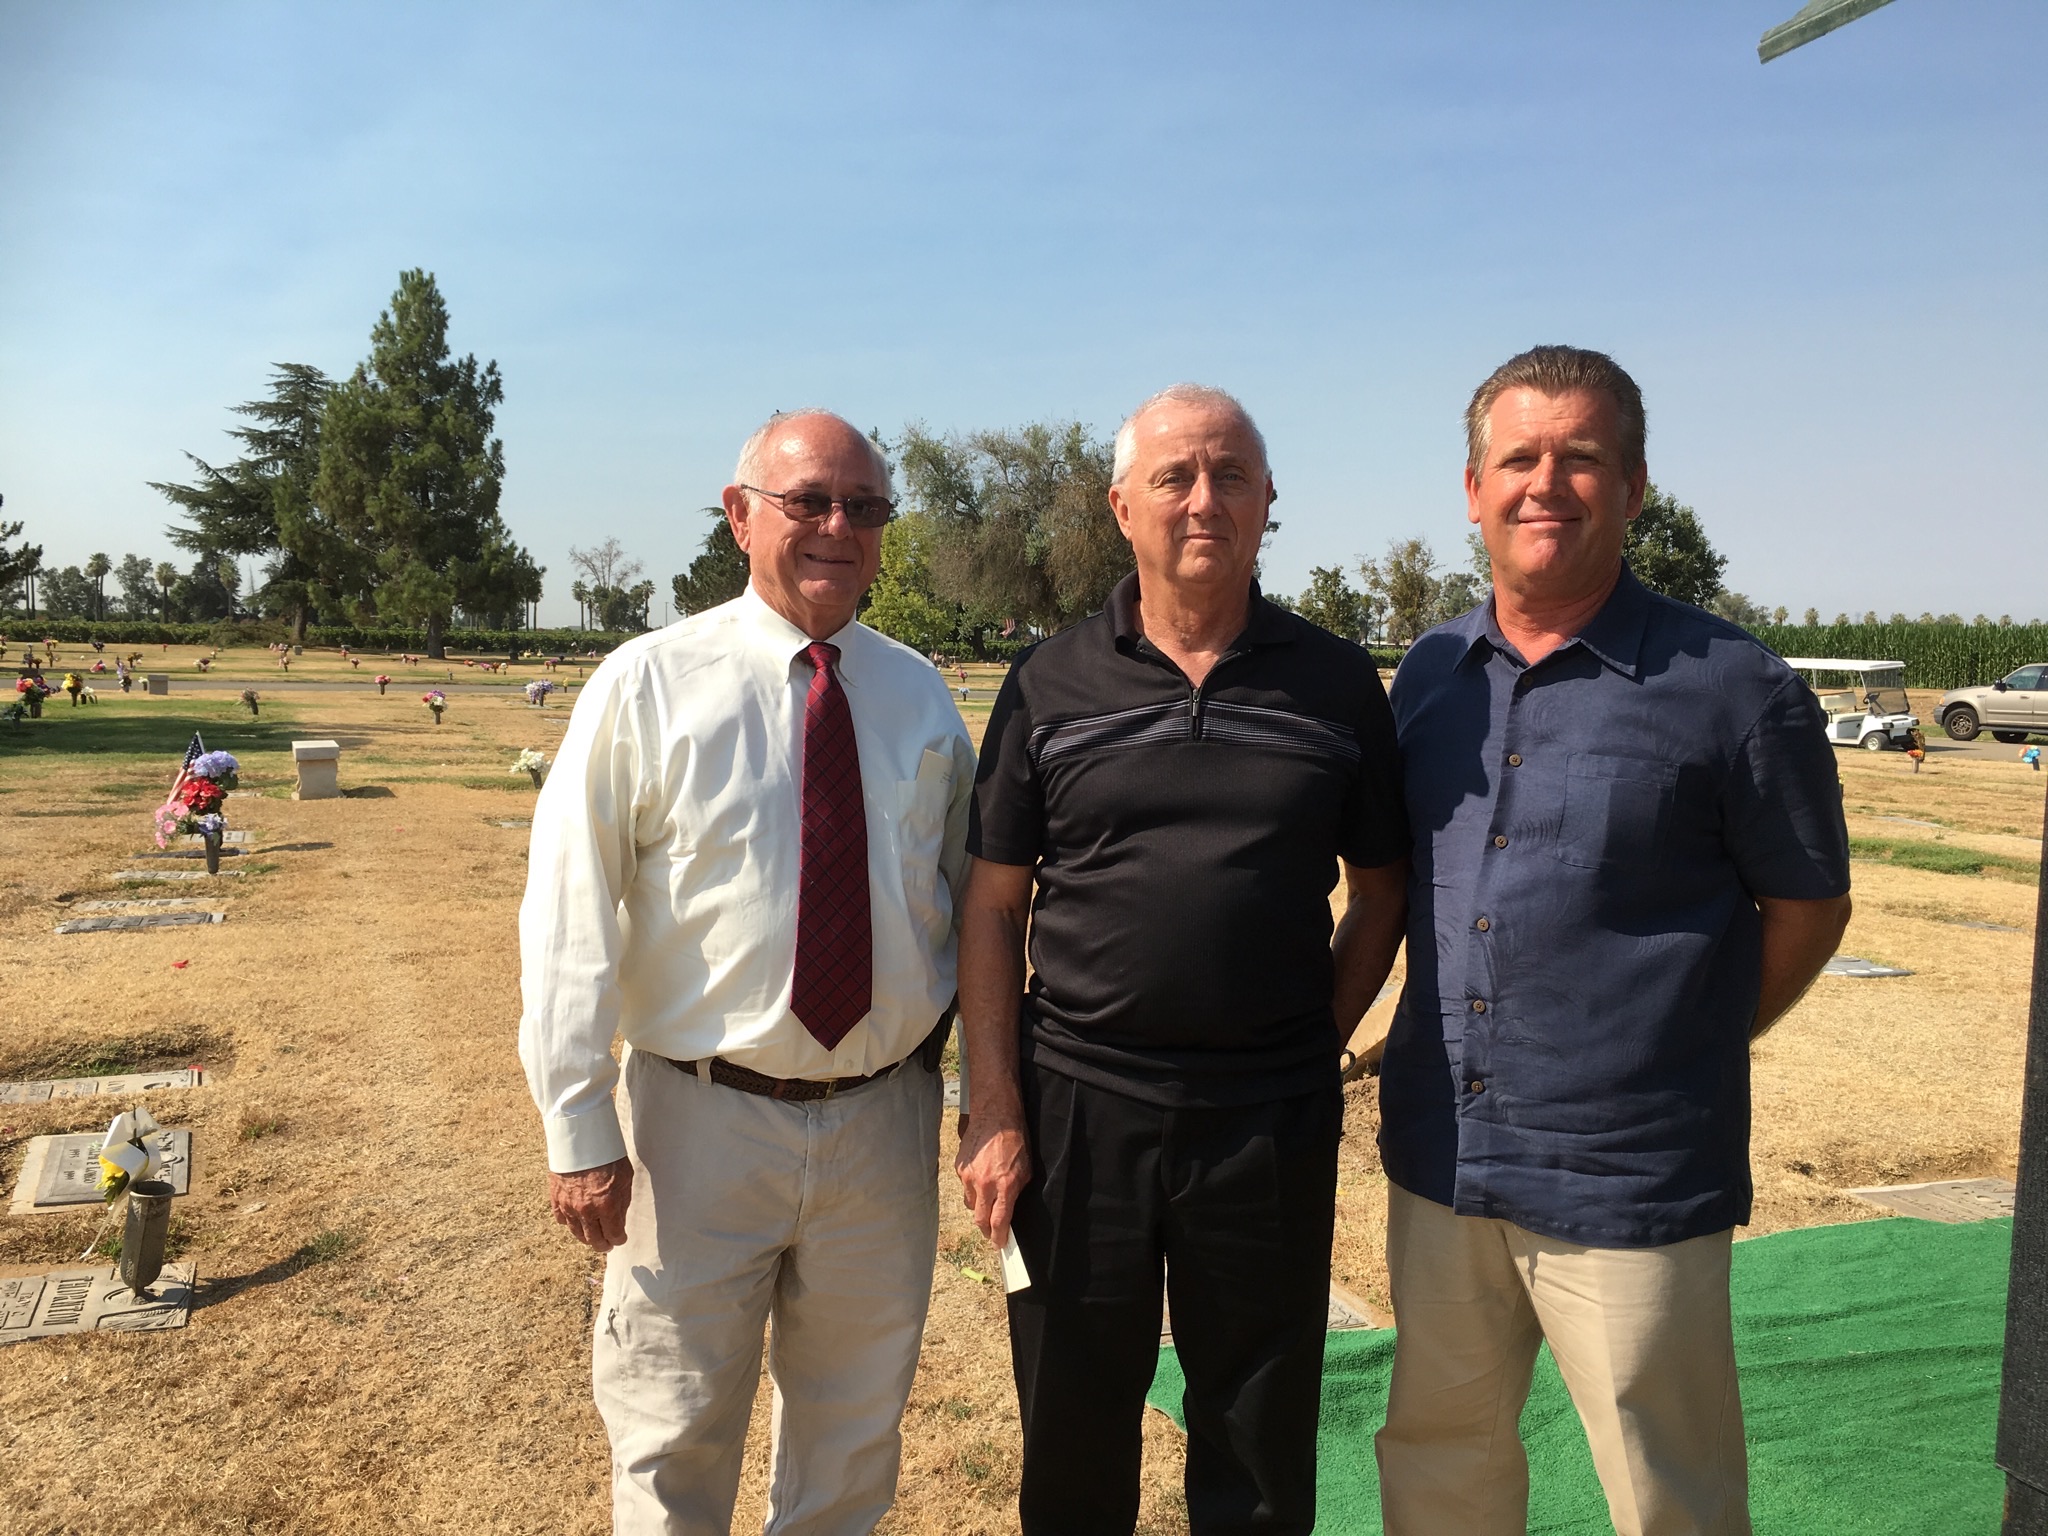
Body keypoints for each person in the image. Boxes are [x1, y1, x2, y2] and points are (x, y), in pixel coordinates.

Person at [1372, 345, 1853, 1536]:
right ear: (1471, 489)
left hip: (1631, 1174)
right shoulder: (1428, 677)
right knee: (1437, 1462)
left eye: (1580, 458)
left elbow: (1806, 908)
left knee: (1666, 1493)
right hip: (1442, 1158)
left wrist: (1680, 1036)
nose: (1546, 483)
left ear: (1633, 486)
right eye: (1517, 458)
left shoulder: (1735, 688)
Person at [955, 384, 1409, 1534]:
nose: (1202, 500)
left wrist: (1315, 1038)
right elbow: (994, 904)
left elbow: (1381, 889)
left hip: (1266, 1119)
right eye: (1173, 477)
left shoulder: (1336, 683)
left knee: (1256, 1441)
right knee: (1071, 1427)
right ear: (1121, 506)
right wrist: (995, 1105)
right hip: (1076, 1116)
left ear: (1267, 504)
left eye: (1229, 477)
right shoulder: (1049, 683)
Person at [518, 409, 976, 1536]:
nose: (836, 527)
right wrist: (577, 1127)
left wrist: (984, 1099)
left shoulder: (920, 698)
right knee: (672, 1437)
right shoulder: (647, 685)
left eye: (862, 508)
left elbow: (964, 906)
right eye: (805, 501)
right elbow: (570, 912)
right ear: (738, 517)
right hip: (696, 1126)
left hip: (882, 1126)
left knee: (852, 1443)